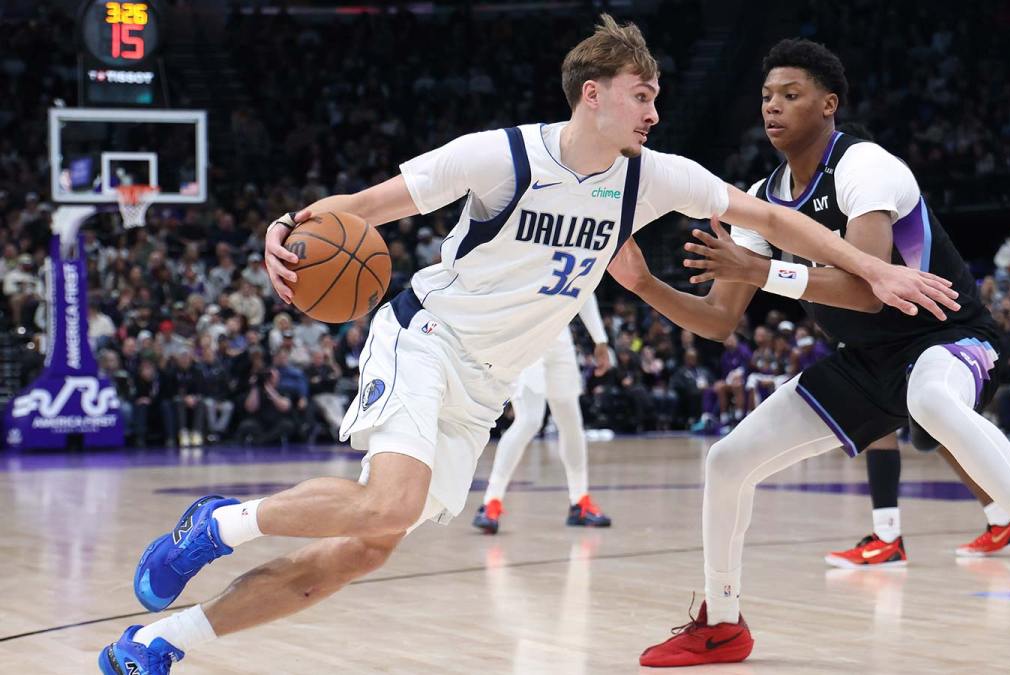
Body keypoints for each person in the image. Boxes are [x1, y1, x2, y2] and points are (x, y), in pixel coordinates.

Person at [99, 17, 953, 672]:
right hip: (425, 339)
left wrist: (872, 273)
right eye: (642, 95)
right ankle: (218, 523)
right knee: (387, 503)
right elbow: (367, 204)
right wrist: (286, 226)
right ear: (594, 94)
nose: (656, 110)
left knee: (360, 551)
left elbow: (771, 218)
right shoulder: (497, 156)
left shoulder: (655, 178)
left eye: (656, 97)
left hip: (486, 386)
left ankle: (162, 640)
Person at [613, 39, 1010, 667]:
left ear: (828, 105)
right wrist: (643, 285)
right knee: (727, 460)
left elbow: (872, 288)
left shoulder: (864, 166)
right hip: (866, 362)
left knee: (931, 398)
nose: (773, 107)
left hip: (946, 335)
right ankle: (722, 623)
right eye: (767, 96)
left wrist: (761, 271)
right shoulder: (761, 198)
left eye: (791, 95)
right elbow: (718, 320)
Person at [472, 296, 613, 533]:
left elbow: (586, 287)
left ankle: (579, 501)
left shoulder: (584, 256)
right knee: (529, 420)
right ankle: (491, 501)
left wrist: (600, 339)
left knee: (571, 422)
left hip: (559, 336)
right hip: (525, 335)